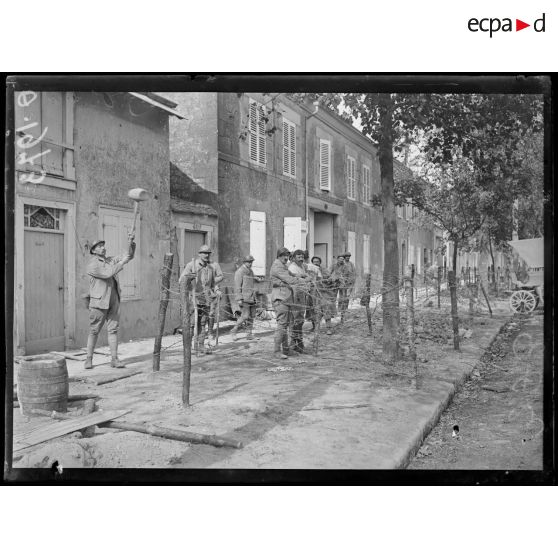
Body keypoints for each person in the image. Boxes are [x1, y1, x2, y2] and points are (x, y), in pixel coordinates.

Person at [84, 233, 136, 369]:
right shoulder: (93, 265)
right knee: (94, 331)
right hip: (99, 302)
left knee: (113, 330)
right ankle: (88, 359)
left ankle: (114, 359)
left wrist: (130, 242)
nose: (103, 248)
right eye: (99, 246)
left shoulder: (109, 260)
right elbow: (108, 273)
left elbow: (127, 256)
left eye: (103, 246)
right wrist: (122, 262)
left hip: (114, 301)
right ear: (93, 251)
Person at [179, 244, 223, 354]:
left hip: (205, 300)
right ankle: (188, 347)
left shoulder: (211, 268)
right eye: (204, 253)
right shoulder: (191, 265)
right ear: (199, 254)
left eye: (208, 253)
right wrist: (189, 278)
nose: (206, 255)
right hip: (193, 299)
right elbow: (181, 281)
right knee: (192, 324)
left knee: (203, 323)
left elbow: (212, 285)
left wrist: (216, 291)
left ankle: (201, 345)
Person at [270, 247, 308, 359]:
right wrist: (304, 280)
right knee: (282, 325)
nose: (286, 258)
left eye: (287, 256)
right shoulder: (277, 266)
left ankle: (286, 350)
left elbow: (292, 275)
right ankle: (276, 351)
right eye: (284, 256)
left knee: (285, 325)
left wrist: (301, 275)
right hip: (280, 298)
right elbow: (289, 279)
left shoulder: (283, 266)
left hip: (286, 298)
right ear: (279, 256)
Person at [230, 255, 263, 340]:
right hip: (244, 298)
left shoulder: (250, 271)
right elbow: (237, 286)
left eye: (251, 262)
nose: (250, 263)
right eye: (249, 262)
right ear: (244, 262)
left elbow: (250, 279)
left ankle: (249, 334)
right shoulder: (239, 272)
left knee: (252, 316)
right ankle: (234, 330)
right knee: (245, 316)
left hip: (252, 297)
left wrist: (256, 279)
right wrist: (239, 298)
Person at [288, 249, 310, 353]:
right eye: (299, 257)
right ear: (294, 258)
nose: (301, 259)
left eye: (302, 257)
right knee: (296, 320)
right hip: (296, 297)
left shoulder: (301, 266)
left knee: (300, 320)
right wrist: (306, 279)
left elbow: (307, 276)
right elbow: (295, 282)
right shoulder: (292, 268)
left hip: (302, 296)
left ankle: (296, 342)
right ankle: (296, 343)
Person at [304, 252, 322, 332]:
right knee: (311, 309)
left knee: (317, 309)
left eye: (317, 262)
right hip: (310, 291)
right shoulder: (308, 268)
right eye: (314, 262)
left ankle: (318, 327)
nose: (316, 263)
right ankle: (314, 326)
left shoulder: (321, 269)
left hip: (319, 292)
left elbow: (321, 280)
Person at [329, 255, 347, 323]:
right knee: (333, 297)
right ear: (337, 259)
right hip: (334, 283)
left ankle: (341, 312)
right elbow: (329, 272)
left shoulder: (345, 266)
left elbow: (347, 274)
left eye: (342, 259)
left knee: (342, 298)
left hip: (342, 283)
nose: (341, 260)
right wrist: (332, 279)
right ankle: (333, 312)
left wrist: (343, 279)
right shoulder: (333, 265)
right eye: (340, 259)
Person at [341, 251, 356, 321]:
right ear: (344, 257)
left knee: (347, 297)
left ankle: (345, 310)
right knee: (342, 297)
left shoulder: (351, 264)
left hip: (349, 283)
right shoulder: (342, 263)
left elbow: (353, 273)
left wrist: (352, 281)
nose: (348, 258)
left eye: (349, 256)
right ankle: (341, 311)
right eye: (346, 256)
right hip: (342, 283)